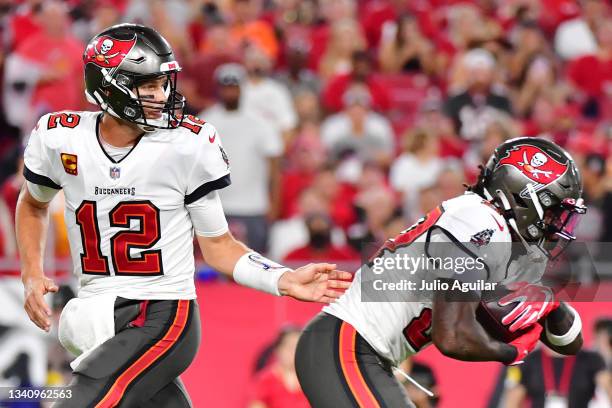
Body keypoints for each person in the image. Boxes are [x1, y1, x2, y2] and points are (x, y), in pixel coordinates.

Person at [15, 24, 351, 408]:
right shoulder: (61, 137)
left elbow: (219, 246)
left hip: (162, 314)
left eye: (163, 83)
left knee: (80, 401)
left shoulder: (186, 145)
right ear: (108, 86)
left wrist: (282, 279)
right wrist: (30, 272)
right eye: (148, 85)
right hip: (94, 314)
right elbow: (33, 203)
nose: (162, 95)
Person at [295, 137, 587, 407]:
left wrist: (551, 305)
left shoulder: (500, 238)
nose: (557, 223)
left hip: (365, 355)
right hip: (346, 346)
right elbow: (453, 337)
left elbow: (571, 343)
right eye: (554, 211)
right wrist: (512, 353)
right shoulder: (478, 220)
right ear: (523, 196)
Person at [201, 63, 283, 251]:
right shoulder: (206, 120)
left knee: (255, 260)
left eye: (234, 87)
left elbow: (274, 165)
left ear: (242, 87)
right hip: (218, 206)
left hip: (254, 206)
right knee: (218, 262)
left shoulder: (260, 123)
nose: (230, 92)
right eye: (226, 87)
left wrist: (275, 203)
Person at [247, 326, 310, 408]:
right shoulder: (265, 380)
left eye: (298, 346)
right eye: (290, 346)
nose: (294, 351)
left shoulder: (312, 380)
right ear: (278, 350)